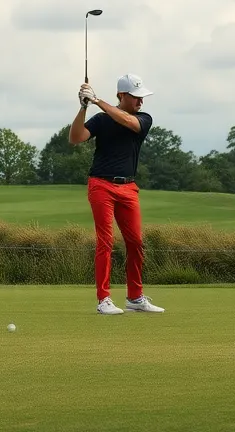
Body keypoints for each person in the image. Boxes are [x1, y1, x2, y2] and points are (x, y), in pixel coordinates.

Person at [69, 73, 165, 315]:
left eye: (142, 97)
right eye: (136, 97)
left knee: (136, 243)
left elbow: (129, 123)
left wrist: (97, 100)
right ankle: (104, 300)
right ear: (122, 95)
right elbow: (75, 138)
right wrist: (83, 108)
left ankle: (135, 297)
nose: (141, 102)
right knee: (106, 241)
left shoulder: (144, 119)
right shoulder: (101, 120)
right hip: (101, 185)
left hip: (129, 188)